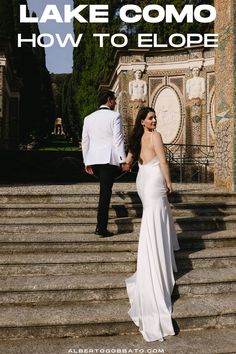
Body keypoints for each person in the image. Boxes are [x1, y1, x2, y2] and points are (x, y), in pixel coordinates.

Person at [125, 107, 180, 342]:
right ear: (143, 121)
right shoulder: (155, 136)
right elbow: (164, 161)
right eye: (150, 118)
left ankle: (154, 260)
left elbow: (127, 163)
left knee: (152, 219)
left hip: (142, 179)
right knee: (156, 219)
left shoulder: (136, 138)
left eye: (155, 117)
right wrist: (169, 183)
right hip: (155, 179)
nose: (154, 120)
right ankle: (157, 265)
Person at [82, 90, 129, 237]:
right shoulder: (115, 116)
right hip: (108, 159)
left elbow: (85, 141)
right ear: (109, 100)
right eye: (114, 100)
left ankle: (100, 226)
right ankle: (100, 228)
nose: (116, 103)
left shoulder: (88, 118)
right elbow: (118, 139)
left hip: (94, 160)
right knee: (105, 193)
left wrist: (86, 162)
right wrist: (123, 160)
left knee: (104, 191)